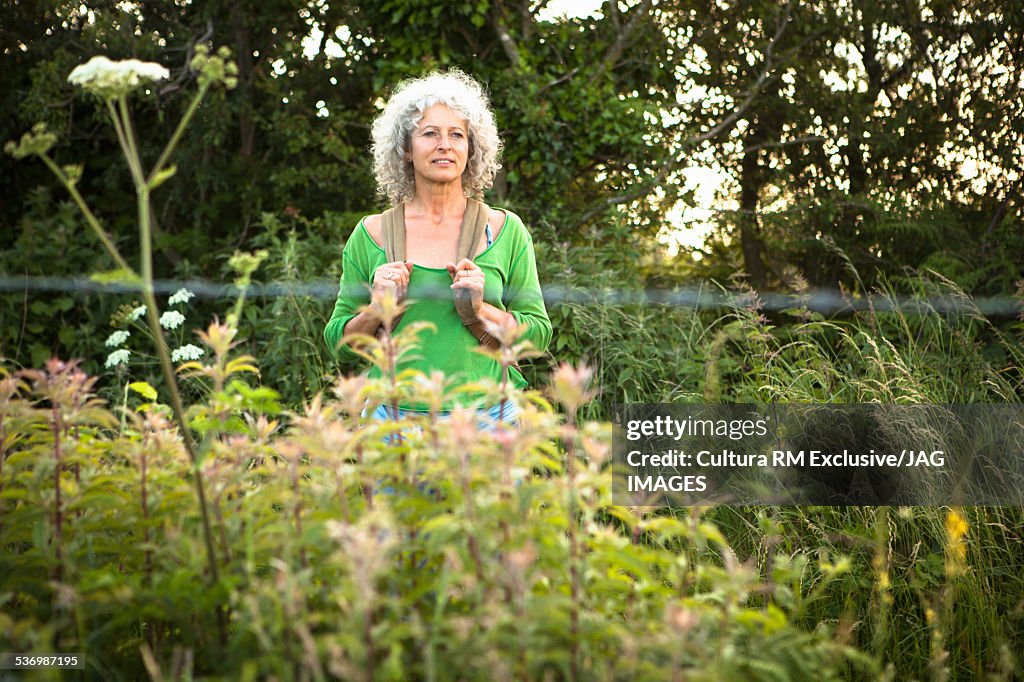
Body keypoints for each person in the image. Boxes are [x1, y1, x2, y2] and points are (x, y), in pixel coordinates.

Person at [323, 69, 551, 426]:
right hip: (392, 423)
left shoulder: (507, 231)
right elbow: (340, 342)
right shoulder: (372, 234)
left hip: (489, 419)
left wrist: (482, 310)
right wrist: (375, 310)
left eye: (456, 135)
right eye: (430, 133)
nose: (445, 144)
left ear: (471, 150)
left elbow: (537, 335)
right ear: (406, 151)